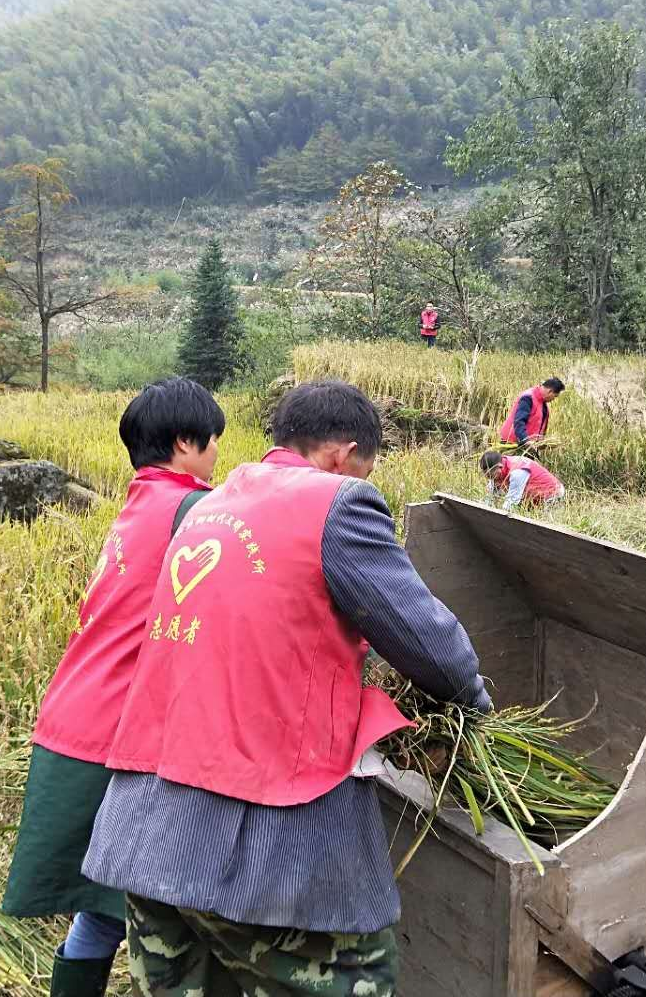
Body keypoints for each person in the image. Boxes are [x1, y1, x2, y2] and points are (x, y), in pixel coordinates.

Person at [82, 380, 491, 997]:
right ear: (342, 456)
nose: (364, 478)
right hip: (251, 847)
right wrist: (475, 705)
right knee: (362, 978)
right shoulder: (338, 503)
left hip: (143, 835)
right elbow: (428, 641)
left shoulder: (208, 505)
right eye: (366, 466)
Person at [2, 377, 225, 997]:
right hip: (115, 732)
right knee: (137, 901)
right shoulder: (190, 509)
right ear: (185, 443)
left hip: (75, 712)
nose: (215, 458)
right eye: (211, 444)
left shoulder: (138, 505)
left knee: (101, 909)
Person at [479, 449, 564, 511]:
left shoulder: (517, 472)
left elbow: (511, 502)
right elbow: (489, 497)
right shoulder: (497, 468)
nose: (489, 478)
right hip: (532, 496)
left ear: (499, 467)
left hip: (552, 494)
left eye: (490, 475)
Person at [498, 377, 565, 451]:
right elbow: (519, 421)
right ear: (550, 391)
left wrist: (540, 442)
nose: (553, 399)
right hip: (513, 442)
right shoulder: (528, 398)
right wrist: (526, 440)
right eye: (555, 396)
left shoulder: (542, 404)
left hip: (528, 445)